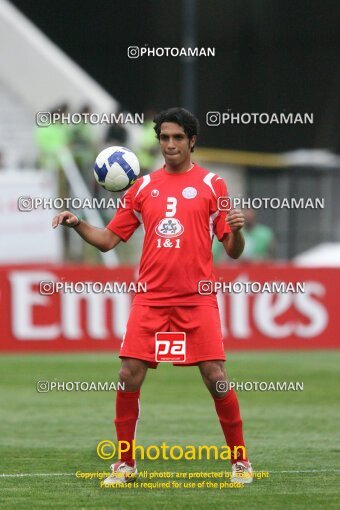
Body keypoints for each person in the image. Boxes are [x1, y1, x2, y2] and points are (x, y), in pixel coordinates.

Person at [52, 107, 253, 485]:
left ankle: (240, 462)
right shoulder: (142, 187)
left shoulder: (214, 184)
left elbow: (233, 249)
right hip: (150, 298)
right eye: (164, 137)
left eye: (178, 137)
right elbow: (109, 240)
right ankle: (125, 464)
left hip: (196, 298)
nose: (171, 144)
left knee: (216, 376)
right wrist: (77, 223)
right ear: (157, 141)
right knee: (128, 374)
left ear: (192, 141)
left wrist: (237, 231)